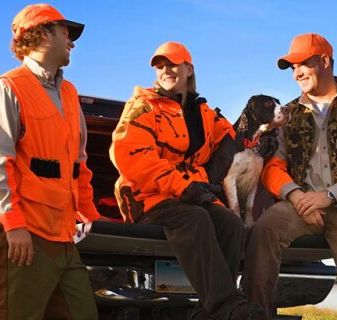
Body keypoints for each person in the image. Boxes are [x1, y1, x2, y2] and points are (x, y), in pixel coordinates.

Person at [110, 42, 265, 320]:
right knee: (195, 218)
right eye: (160, 66)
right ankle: (227, 305)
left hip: (191, 195)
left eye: (172, 64)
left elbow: (235, 136)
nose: (165, 70)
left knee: (231, 223)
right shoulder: (143, 107)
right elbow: (131, 156)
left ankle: (207, 312)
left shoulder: (205, 113)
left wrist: (264, 132)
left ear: (189, 69)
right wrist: (185, 187)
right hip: (148, 198)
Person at [242, 33, 337, 319]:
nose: (296, 73)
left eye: (302, 64)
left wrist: (329, 196)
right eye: (292, 68)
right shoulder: (287, 114)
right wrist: (296, 196)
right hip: (299, 206)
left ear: (324, 61)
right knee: (264, 231)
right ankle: (253, 315)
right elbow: (273, 167)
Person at [0, 4, 102, 319]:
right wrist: (13, 225)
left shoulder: (69, 92)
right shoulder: (8, 87)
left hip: (62, 234)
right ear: (43, 34)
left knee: (82, 314)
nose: (71, 42)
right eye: (65, 32)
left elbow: (78, 162)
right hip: (23, 231)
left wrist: (88, 213)